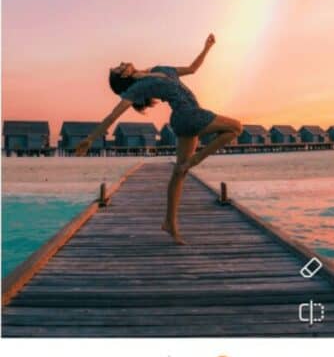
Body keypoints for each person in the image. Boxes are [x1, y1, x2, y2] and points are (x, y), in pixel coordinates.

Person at [76, 33, 242, 244]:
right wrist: (90, 139)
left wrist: (207, 47)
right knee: (236, 127)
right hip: (188, 116)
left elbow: (192, 69)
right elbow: (113, 115)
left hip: (185, 120)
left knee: (179, 173)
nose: (122, 63)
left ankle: (169, 223)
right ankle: (194, 161)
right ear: (124, 76)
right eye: (119, 67)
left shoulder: (160, 69)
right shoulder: (137, 89)